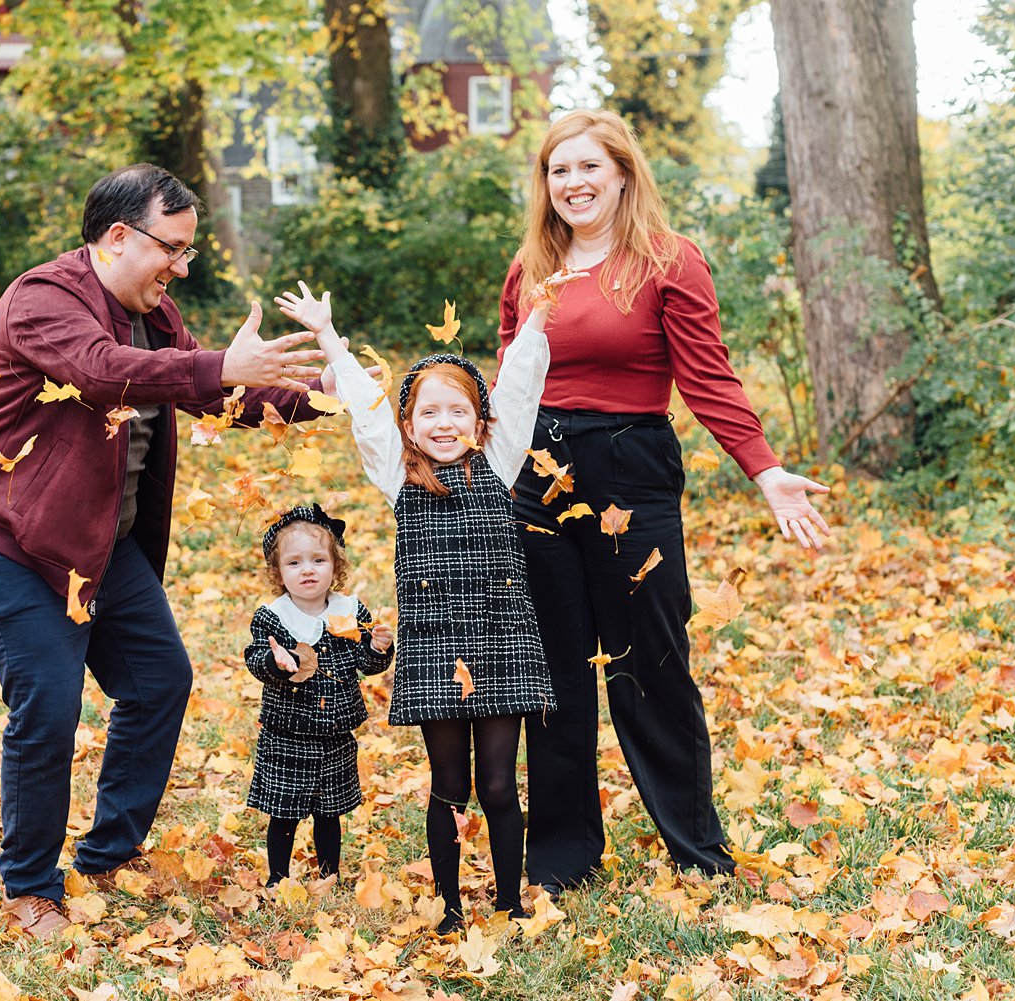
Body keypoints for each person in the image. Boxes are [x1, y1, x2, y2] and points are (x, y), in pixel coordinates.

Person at [0, 164, 335, 942]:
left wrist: (327, 392)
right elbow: (100, 372)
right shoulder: (42, 299)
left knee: (159, 680)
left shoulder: (155, 316)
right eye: (172, 249)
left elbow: (214, 393)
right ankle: (31, 887)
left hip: (98, 540)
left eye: (188, 252)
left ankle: (110, 852)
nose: (182, 268)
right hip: (7, 536)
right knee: (47, 705)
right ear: (118, 237)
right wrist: (217, 364)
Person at [495, 109, 833, 895]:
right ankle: (562, 857)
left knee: (651, 662)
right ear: (545, 184)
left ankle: (696, 848)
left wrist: (765, 469)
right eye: (558, 170)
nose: (573, 183)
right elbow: (511, 381)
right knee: (556, 669)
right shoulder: (531, 267)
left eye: (588, 167)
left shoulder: (667, 261)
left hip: (630, 466)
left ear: (621, 173)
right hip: (536, 476)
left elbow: (708, 377)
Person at [274, 275, 581, 932]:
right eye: (429, 415)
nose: (445, 424)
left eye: (459, 412)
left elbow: (522, 381)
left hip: (502, 641)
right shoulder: (397, 474)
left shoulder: (498, 462)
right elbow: (361, 405)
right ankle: (446, 907)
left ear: (481, 421)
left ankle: (507, 900)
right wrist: (328, 336)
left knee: (499, 785)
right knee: (450, 784)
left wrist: (537, 317)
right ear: (409, 425)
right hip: (436, 644)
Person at [244, 504, 394, 886]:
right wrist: (275, 661)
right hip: (287, 734)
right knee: (284, 812)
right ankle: (278, 878)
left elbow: (366, 662)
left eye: (318, 560)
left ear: (335, 565)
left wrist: (377, 649)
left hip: (335, 733)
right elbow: (255, 658)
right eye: (294, 563)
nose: (307, 570)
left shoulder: (349, 610)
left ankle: (330, 874)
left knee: (331, 812)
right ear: (278, 572)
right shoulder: (273, 616)